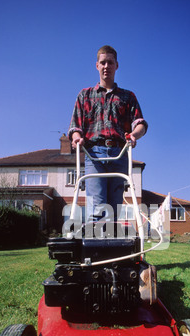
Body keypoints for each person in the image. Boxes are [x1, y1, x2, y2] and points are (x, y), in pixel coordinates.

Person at [68, 45, 148, 223]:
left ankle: (112, 248)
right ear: (97, 65)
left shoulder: (128, 97)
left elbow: (140, 123)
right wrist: (77, 139)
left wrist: (134, 135)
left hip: (119, 154)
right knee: (97, 208)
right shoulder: (85, 95)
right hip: (93, 155)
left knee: (113, 210)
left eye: (110, 62)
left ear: (116, 66)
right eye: (103, 63)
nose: (106, 66)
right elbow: (75, 127)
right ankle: (96, 248)